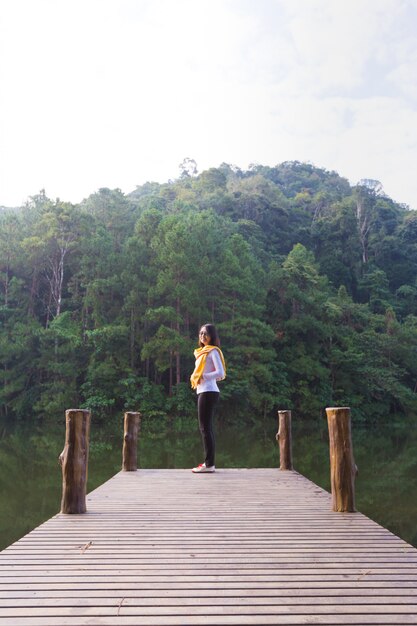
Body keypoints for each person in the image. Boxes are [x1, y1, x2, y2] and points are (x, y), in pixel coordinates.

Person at [190, 324, 226, 473]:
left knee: (205, 428)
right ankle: (209, 463)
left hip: (208, 391)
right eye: (200, 334)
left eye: (206, 334)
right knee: (205, 428)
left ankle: (209, 464)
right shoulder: (201, 353)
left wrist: (203, 376)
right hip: (203, 391)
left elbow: (220, 372)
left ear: (212, 336)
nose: (202, 336)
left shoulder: (213, 352)